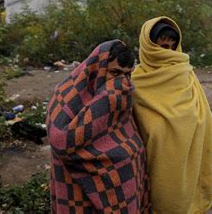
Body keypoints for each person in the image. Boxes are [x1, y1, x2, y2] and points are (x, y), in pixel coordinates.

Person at [131, 16, 212, 213]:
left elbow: (203, 110)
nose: (169, 53)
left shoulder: (185, 72)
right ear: (148, 46)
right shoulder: (137, 81)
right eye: (162, 47)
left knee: (189, 200)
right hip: (157, 159)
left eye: (172, 48)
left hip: (191, 150)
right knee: (164, 202)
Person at [46, 40, 151, 213]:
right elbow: (61, 140)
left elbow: (125, 138)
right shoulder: (67, 95)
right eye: (114, 72)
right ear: (98, 68)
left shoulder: (120, 101)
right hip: (74, 190)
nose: (120, 82)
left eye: (126, 75)